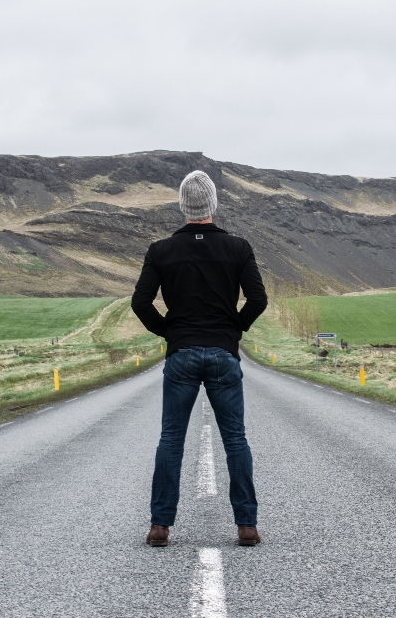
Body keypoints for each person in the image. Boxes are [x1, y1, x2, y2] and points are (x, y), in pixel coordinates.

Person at [131, 170, 268, 547]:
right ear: (212, 204)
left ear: (182, 206)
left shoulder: (161, 251)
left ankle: (160, 526)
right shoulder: (238, 248)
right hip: (223, 353)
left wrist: (169, 332)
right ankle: (246, 526)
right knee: (235, 439)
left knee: (171, 439)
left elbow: (140, 303)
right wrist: (232, 331)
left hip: (182, 354)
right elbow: (258, 299)